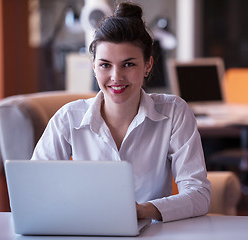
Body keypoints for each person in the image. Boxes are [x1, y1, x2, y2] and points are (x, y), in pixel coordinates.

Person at [31, 2, 211, 223]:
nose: (116, 76)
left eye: (128, 65)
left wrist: (146, 210)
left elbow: (199, 194)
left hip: (152, 234)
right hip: (86, 231)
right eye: (105, 65)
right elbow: (36, 189)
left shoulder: (174, 113)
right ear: (94, 67)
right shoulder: (69, 117)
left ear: (147, 65)